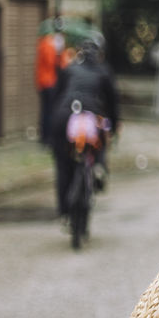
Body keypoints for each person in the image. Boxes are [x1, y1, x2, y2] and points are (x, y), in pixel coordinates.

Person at [49, 37, 119, 214]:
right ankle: (99, 167)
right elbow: (112, 103)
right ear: (100, 54)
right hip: (92, 115)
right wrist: (115, 127)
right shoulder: (104, 71)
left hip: (64, 115)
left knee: (62, 164)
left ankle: (63, 211)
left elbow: (56, 96)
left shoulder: (69, 69)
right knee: (101, 140)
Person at [35, 21, 64, 146]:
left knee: (45, 110)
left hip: (42, 81)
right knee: (50, 110)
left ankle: (44, 136)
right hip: (49, 82)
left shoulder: (42, 43)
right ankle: (48, 137)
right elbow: (53, 62)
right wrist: (59, 53)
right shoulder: (48, 44)